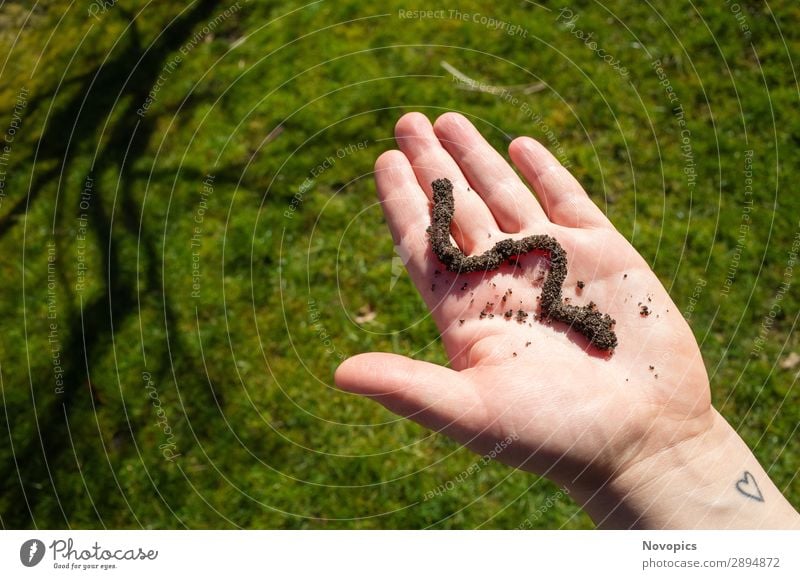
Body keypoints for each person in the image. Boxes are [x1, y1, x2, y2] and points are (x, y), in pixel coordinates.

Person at [334, 112, 800, 529]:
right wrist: (671, 453)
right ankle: (443, 204)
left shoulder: (562, 299)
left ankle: (443, 204)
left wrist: (662, 450)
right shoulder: (544, 278)